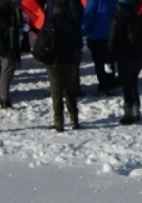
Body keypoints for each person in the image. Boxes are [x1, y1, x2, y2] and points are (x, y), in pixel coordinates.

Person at [107, 0, 142, 124]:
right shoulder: (137, 18)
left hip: (124, 57)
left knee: (126, 85)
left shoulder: (117, 19)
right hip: (137, 58)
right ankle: (136, 111)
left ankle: (128, 113)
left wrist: (108, 59)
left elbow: (112, 42)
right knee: (134, 84)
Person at [46, 0, 83, 131]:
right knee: (70, 92)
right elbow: (80, 44)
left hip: (54, 62)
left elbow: (43, 42)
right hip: (70, 62)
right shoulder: (73, 23)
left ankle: (59, 122)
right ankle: (74, 120)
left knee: (56, 93)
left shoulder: (51, 23)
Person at [0, 0, 24, 108]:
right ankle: (4, 99)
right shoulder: (4, 5)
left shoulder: (13, 7)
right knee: (6, 71)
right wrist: (7, 25)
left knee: (6, 71)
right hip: (6, 44)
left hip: (10, 43)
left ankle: (2, 96)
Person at [83, 0, 117, 96]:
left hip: (97, 35)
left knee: (99, 62)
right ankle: (111, 85)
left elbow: (90, 15)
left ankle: (103, 86)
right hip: (111, 33)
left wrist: (84, 30)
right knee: (109, 60)